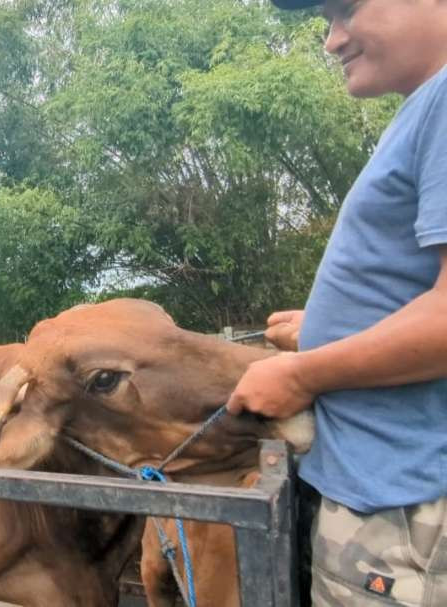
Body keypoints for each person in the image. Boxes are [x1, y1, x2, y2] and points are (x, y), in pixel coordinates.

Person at [227, 1, 447, 604]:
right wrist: (321, 329)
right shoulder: (426, 106)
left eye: (346, 10)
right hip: (385, 494)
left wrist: (303, 373)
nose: (332, 40)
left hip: (405, 512)